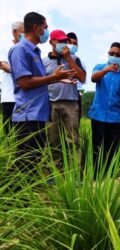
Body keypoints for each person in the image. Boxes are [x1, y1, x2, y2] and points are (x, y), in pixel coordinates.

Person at [8, 12, 76, 172]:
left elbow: (39, 80)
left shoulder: (34, 51)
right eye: (45, 28)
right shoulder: (20, 50)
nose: (46, 32)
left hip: (38, 113)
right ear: (35, 27)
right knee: (25, 161)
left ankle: (27, 194)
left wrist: (56, 79)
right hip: (27, 114)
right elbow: (24, 82)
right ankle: (15, 194)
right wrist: (53, 77)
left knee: (34, 159)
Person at [43, 29, 86, 168]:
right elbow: (42, 82)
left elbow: (82, 77)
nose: (63, 44)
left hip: (71, 103)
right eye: (60, 41)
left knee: (73, 139)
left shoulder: (73, 58)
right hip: (51, 103)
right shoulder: (44, 61)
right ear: (51, 42)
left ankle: (75, 172)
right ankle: (54, 171)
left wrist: (68, 58)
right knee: (52, 139)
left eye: (65, 41)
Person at [88, 42, 120, 175]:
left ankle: (111, 174)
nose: (114, 56)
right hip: (98, 114)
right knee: (97, 146)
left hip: (116, 117)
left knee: (113, 147)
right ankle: (96, 174)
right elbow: (93, 78)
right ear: (108, 54)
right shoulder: (100, 67)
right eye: (111, 53)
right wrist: (106, 70)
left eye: (117, 54)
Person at [0, 21, 24, 134]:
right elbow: (3, 65)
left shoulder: (26, 48)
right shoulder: (5, 46)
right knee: (9, 132)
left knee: (23, 132)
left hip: (24, 98)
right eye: (23, 32)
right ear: (15, 32)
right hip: (10, 96)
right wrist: (21, 72)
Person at [67, 32, 86, 117]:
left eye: (75, 43)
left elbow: (82, 79)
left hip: (75, 95)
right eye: (69, 42)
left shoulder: (80, 61)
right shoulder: (57, 59)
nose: (72, 45)